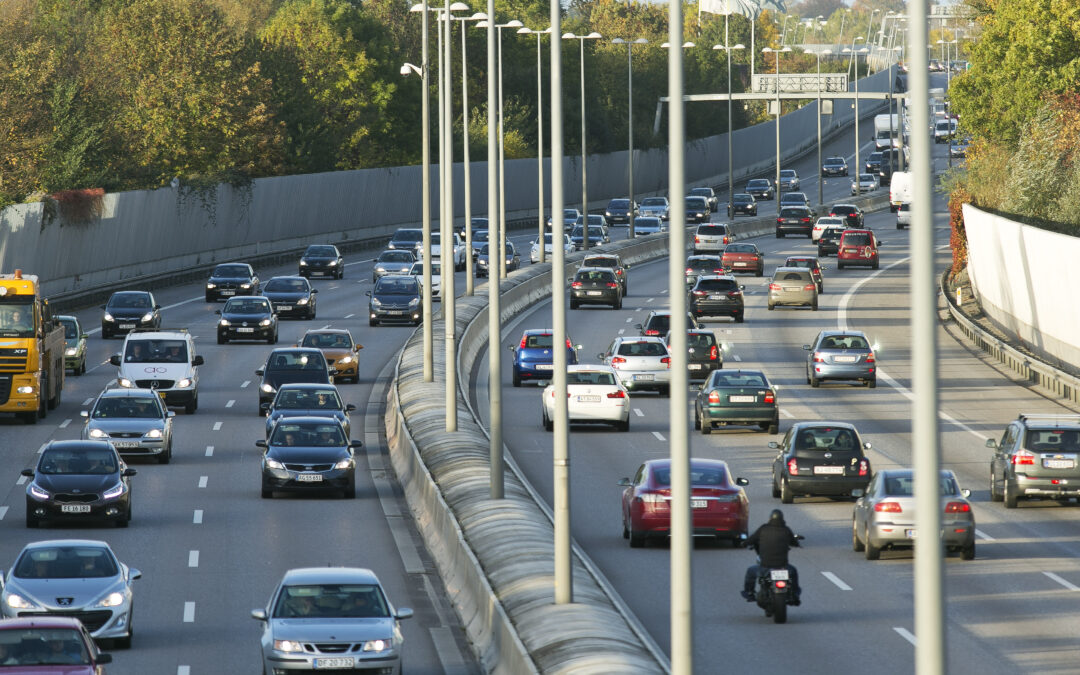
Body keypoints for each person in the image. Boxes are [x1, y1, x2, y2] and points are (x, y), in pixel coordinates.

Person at [742, 509, 801, 605]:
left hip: (765, 566)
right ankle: (794, 594)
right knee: (793, 572)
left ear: (770, 518)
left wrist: (744, 543)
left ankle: (749, 592)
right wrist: (797, 543)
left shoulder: (763, 529)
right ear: (782, 519)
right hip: (783, 566)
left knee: (750, 571)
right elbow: (794, 542)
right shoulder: (785, 530)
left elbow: (752, 539)